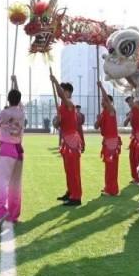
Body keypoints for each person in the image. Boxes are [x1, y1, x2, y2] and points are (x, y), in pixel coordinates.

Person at [0, 75, 25, 227]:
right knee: (15, 184)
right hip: (18, 150)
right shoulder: (22, 113)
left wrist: (1, 122)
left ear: (8, 99)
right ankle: (13, 214)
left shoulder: (5, 113)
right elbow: (19, 97)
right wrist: (16, 81)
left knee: (2, 182)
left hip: (6, 149)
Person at [50, 73, 82, 206]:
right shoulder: (61, 107)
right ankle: (70, 192)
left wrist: (55, 81)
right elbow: (57, 125)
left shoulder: (69, 104)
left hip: (72, 140)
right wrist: (56, 122)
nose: (62, 93)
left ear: (68, 93)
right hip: (65, 140)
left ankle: (76, 197)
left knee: (74, 170)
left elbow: (60, 95)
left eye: (64, 91)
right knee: (68, 169)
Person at [94, 82, 120, 196]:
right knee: (108, 167)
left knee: (112, 167)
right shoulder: (103, 113)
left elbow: (107, 99)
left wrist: (101, 87)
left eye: (103, 100)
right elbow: (96, 127)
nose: (101, 102)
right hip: (106, 142)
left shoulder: (111, 111)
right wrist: (98, 120)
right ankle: (108, 187)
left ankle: (112, 189)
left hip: (112, 142)